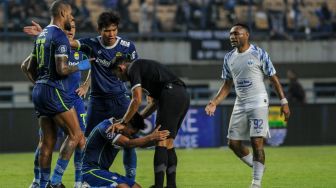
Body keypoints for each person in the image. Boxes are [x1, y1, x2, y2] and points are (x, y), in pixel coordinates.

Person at [23, 10, 138, 182]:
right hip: (97, 102)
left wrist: (86, 84)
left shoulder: (128, 47)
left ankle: (130, 179)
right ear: (99, 30)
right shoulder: (90, 44)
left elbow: (136, 72)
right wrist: (43, 34)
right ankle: (84, 181)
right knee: (87, 143)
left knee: (129, 141)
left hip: (120, 100)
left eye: (114, 30)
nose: (111, 34)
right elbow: (65, 43)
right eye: (107, 30)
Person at [204, 23, 290, 188]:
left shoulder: (259, 53)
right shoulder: (229, 57)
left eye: (236, 34)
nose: (232, 37)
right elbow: (227, 84)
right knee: (232, 143)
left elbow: (273, 78)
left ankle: (256, 183)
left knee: (256, 142)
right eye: (230, 34)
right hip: (240, 103)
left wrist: (283, 101)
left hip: (258, 102)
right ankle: (257, 166)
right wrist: (214, 102)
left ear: (246, 35)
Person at [23, 1, 91, 187]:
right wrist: (84, 65)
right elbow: (61, 70)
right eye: (69, 14)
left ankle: (41, 184)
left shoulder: (43, 35)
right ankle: (55, 182)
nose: (71, 17)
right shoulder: (60, 36)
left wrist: (40, 84)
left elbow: (28, 67)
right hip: (56, 92)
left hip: (39, 91)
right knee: (76, 135)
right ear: (62, 12)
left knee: (47, 142)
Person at [109, 56, 190, 188]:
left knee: (160, 140)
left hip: (171, 94)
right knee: (168, 142)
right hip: (182, 95)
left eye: (116, 74)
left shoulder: (133, 68)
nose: (118, 78)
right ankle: (171, 185)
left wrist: (123, 122)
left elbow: (136, 99)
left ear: (121, 68)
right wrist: (138, 118)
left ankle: (158, 186)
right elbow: (155, 104)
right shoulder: (146, 72)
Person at [82, 113, 170, 188]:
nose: (131, 136)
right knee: (123, 187)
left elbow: (140, 143)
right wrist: (150, 137)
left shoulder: (124, 132)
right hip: (90, 171)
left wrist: (156, 140)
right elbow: (128, 143)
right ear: (126, 124)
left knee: (137, 187)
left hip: (103, 171)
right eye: (132, 133)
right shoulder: (106, 127)